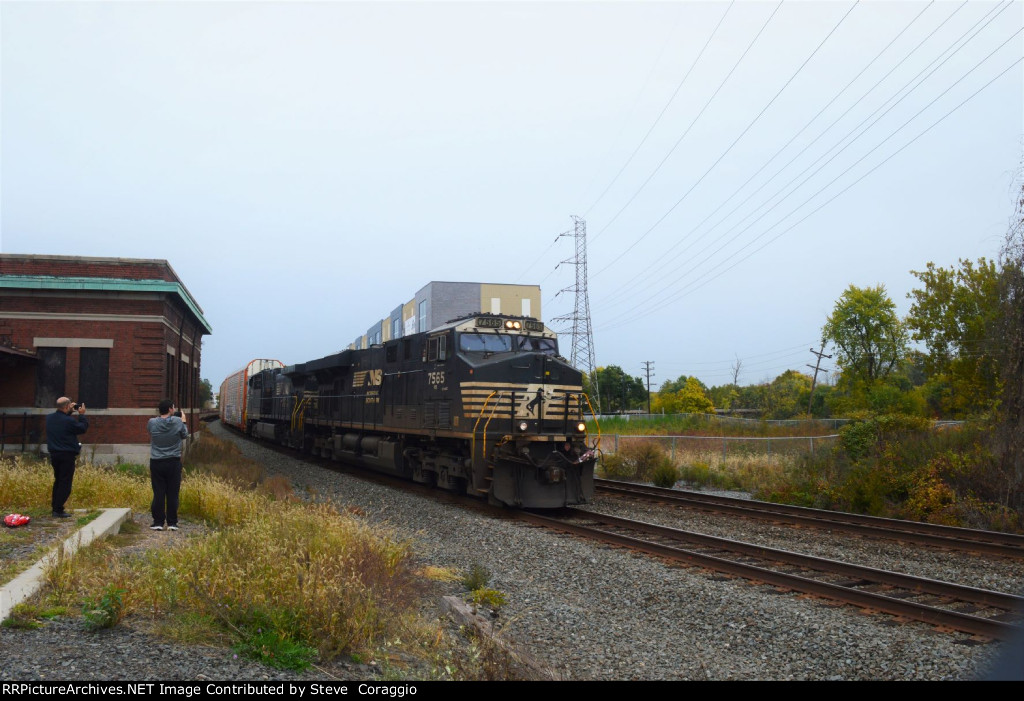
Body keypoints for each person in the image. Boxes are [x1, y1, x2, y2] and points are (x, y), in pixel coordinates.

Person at [147, 399, 189, 531]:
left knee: (158, 492)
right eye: (173, 407)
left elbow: (151, 432)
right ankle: (172, 523)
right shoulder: (177, 422)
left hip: (156, 462)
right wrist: (183, 421)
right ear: (171, 409)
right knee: (172, 493)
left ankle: (158, 522)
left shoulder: (151, 422)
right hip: (173, 462)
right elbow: (184, 435)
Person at [45, 397, 88, 518]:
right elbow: (82, 428)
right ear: (66, 406)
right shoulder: (69, 421)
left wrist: (69, 411)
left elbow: (63, 421)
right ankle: (58, 510)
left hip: (54, 454)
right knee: (65, 483)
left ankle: (55, 507)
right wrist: (82, 415)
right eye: (70, 406)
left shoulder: (49, 418)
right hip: (67, 454)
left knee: (58, 480)